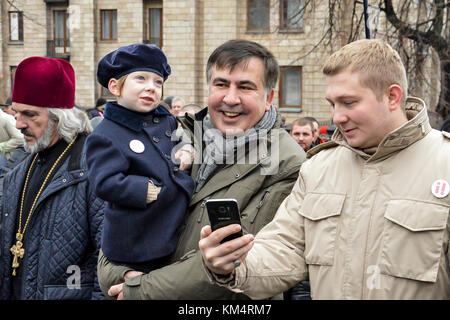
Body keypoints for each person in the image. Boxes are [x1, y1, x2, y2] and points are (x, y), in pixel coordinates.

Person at [199, 39, 450, 300]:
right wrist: (234, 263)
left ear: (392, 96)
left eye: (349, 102)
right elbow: (285, 248)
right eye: (333, 104)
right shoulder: (318, 168)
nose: (337, 117)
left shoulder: (444, 164)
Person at [97, 39, 306, 300]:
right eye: (221, 84)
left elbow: (236, 263)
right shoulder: (168, 135)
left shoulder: (287, 163)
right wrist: (121, 276)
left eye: (245, 87)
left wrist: (140, 290)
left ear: (269, 98)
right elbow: (118, 222)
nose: (230, 98)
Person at [0, 56, 105, 300]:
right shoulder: (21, 169)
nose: (18, 124)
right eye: (16, 113)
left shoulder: (94, 169)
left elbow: (109, 264)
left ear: (59, 117)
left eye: (30, 114)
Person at [85, 43, 195, 275]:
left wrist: (186, 149)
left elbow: (180, 138)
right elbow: (103, 183)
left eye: (158, 82)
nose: (151, 88)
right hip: (137, 239)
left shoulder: (165, 120)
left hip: (175, 228)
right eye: (141, 79)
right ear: (115, 87)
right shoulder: (106, 134)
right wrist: (141, 189)